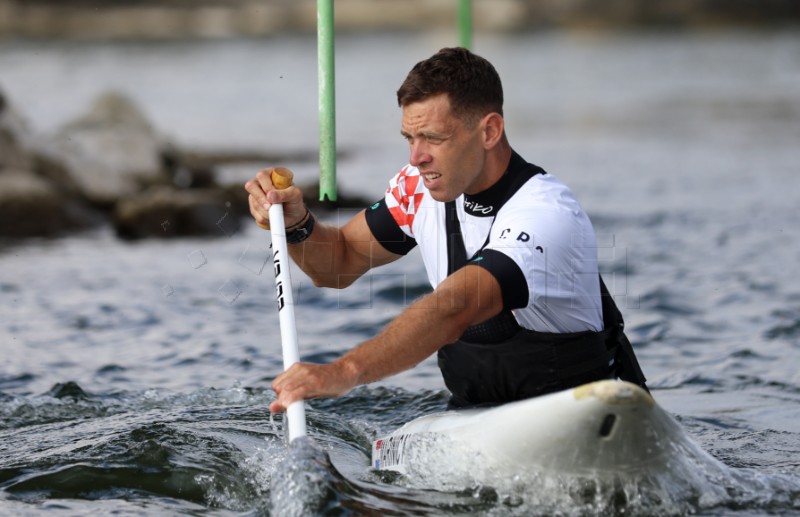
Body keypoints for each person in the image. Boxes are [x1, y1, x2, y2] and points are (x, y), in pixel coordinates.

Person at [245, 47, 647, 414]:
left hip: (584, 417)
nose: (416, 157)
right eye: (410, 137)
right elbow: (337, 263)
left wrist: (344, 371)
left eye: (433, 138)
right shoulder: (417, 189)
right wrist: (296, 224)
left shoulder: (546, 214)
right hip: (473, 416)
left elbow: (456, 308)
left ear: (489, 131)